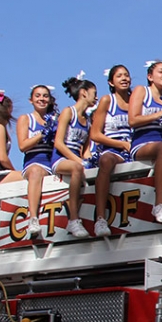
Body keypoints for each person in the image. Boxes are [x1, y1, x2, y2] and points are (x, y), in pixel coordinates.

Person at [128, 61, 162, 224]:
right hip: (143, 142)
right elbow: (133, 120)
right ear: (150, 76)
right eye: (161, 72)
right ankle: (159, 203)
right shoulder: (142, 91)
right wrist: (160, 113)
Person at [90, 65, 132, 236]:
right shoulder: (108, 100)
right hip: (113, 149)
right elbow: (95, 134)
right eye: (119, 76)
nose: (124, 79)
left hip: (133, 149)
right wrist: (121, 144)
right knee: (106, 161)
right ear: (111, 82)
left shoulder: (136, 99)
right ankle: (100, 218)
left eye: (127, 75)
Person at [52, 76, 96, 238]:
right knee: (77, 168)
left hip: (77, 160)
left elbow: (86, 150)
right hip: (60, 159)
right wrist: (79, 161)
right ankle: (73, 219)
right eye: (94, 93)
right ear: (84, 93)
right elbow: (58, 143)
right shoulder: (67, 112)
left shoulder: (89, 120)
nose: (96, 97)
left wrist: (91, 163)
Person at [16, 84, 57, 237]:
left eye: (45, 96)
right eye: (38, 96)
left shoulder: (55, 119)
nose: (42, 99)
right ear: (31, 100)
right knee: (35, 172)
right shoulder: (26, 119)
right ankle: (33, 218)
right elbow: (23, 145)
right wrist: (42, 134)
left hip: (52, 162)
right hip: (34, 161)